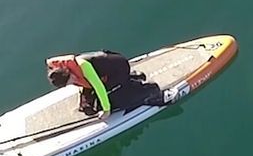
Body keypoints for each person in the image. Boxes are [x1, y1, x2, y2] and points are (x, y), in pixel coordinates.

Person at [46, 50, 176, 119]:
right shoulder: (58, 64)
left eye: (70, 81)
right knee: (88, 106)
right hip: (108, 69)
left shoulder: (84, 67)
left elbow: (99, 88)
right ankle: (133, 77)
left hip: (119, 69)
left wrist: (106, 110)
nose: (72, 84)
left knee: (114, 101)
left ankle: (150, 91)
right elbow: (48, 62)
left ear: (68, 73)